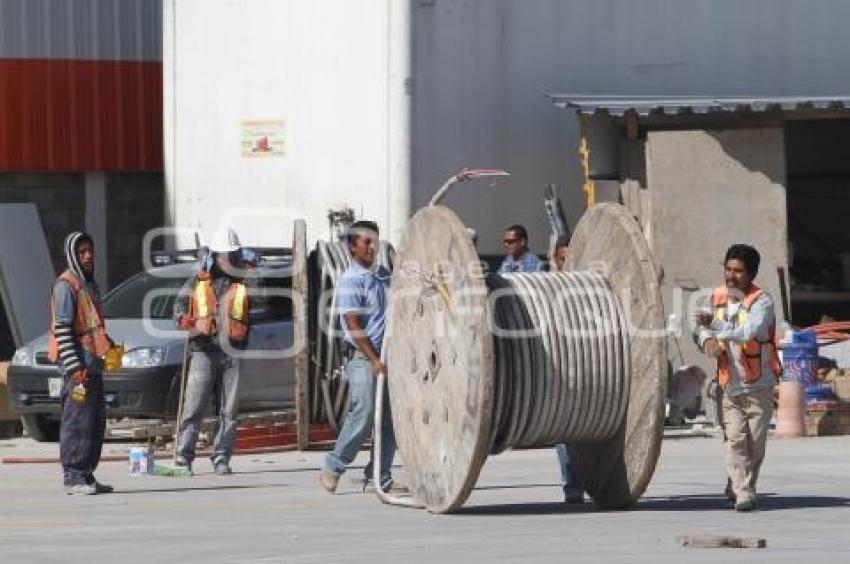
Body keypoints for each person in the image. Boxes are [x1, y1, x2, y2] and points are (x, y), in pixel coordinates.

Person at [694, 244, 781, 512]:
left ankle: (741, 486)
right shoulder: (717, 297)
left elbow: (747, 331)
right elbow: (697, 328)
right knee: (734, 439)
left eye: (739, 271)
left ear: (751, 274)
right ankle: (743, 492)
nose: (731, 276)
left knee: (755, 444)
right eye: (728, 269)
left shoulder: (762, 302)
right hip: (728, 385)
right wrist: (706, 339)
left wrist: (715, 327)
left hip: (759, 386)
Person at [319, 220, 402, 494]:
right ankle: (333, 466)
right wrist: (374, 360)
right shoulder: (351, 281)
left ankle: (380, 476)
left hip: (387, 357)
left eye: (375, 241)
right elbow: (353, 324)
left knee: (391, 420)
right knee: (364, 412)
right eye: (366, 242)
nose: (372, 247)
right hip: (363, 358)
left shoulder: (383, 277)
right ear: (353, 247)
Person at [173, 230, 251, 475]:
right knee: (194, 407)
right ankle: (183, 457)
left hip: (232, 353)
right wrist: (190, 322)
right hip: (203, 351)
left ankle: (221, 457)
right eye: (228, 255)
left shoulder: (243, 283)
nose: (232, 260)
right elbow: (177, 311)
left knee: (229, 409)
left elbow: (252, 312)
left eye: (234, 255)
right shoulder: (197, 282)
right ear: (217, 257)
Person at [48, 231, 114, 495]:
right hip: (78, 371)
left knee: (94, 423)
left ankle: (86, 474)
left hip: (93, 366)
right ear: (72, 255)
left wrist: (109, 345)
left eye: (90, 251)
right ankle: (74, 476)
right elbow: (62, 329)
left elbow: (91, 325)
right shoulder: (66, 286)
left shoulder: (88, 284)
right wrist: (75, 368)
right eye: (82, 252)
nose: (88, 256)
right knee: (77, 423)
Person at [549, 235, 584, 503]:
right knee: (564, 431)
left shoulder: (589, 290)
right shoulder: (546, 289)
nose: (568, 263)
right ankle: (572, 485)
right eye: (563, 258)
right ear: (555, 260)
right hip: (559, 370)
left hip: (589, 369)